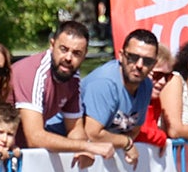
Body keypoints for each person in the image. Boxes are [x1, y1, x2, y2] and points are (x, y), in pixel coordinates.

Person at [11, 20, 112, 159]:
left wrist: (83, 151)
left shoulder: (72, 77)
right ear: (52, 45)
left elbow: (75, 128)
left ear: (85, 54)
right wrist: (87, 146)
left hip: (21, 154)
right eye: (63, 49)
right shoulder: (34, 73)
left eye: (77, 53)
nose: (68, 58)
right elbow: (34, 138)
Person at [78, 29, 159, 166]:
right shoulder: (104, 83)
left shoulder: (146, 86)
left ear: (154, 64)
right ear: (121, 56)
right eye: (133, 57)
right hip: (56, 148)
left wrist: (124, 142)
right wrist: (126, 143)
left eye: (147, 61)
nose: (139, 65)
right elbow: (92, 133)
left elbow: (134, 130)